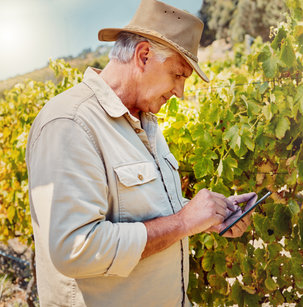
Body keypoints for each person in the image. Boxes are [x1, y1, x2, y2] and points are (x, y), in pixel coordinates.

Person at [26, 0, 257, 306]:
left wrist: (210, 216)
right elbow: (75, 249)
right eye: (178, 75)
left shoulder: (143, 121)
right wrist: (185, 222)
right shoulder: (70, 124)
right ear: (144, 55)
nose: (180, 93)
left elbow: (142, 209)